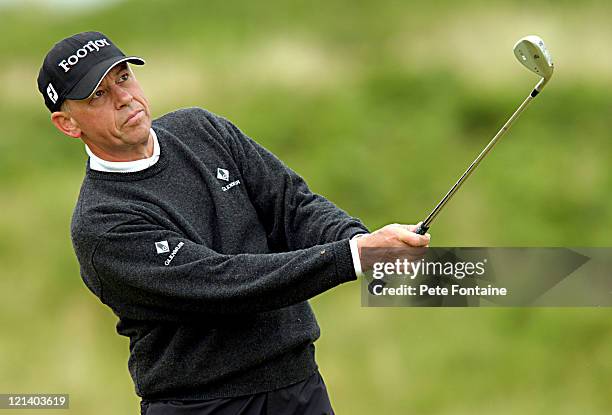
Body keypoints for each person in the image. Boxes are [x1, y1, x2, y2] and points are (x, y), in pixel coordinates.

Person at [38, 31, 430, 415]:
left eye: (124, 77)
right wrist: (353, 256)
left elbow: (291, 206)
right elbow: (224, 283)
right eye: (99, 96)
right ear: (68, 124)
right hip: (203, 404)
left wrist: (360, 240)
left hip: (297, 385)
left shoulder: (201, 130)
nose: (125, 98)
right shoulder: (102, 224)